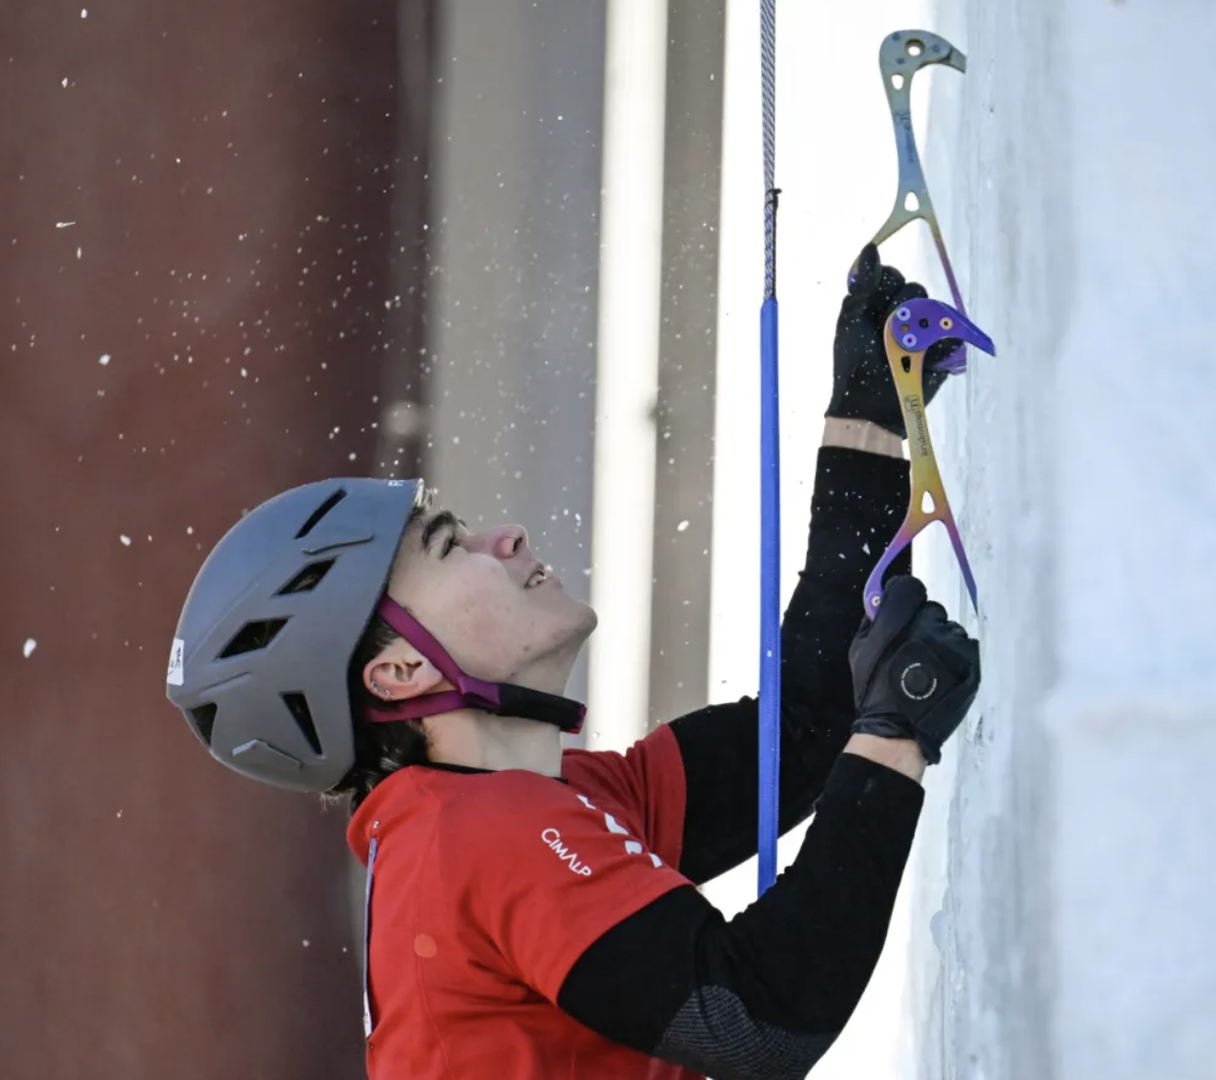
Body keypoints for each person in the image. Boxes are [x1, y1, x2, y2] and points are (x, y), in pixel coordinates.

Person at [162, 246, 981, 1080]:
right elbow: (754, 1021)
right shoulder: (474, 839)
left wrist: (869, 426)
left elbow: (808, 729)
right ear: (399, 672)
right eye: (450, 547)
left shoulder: (534, 808)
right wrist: (893, 737)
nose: (505, 534)